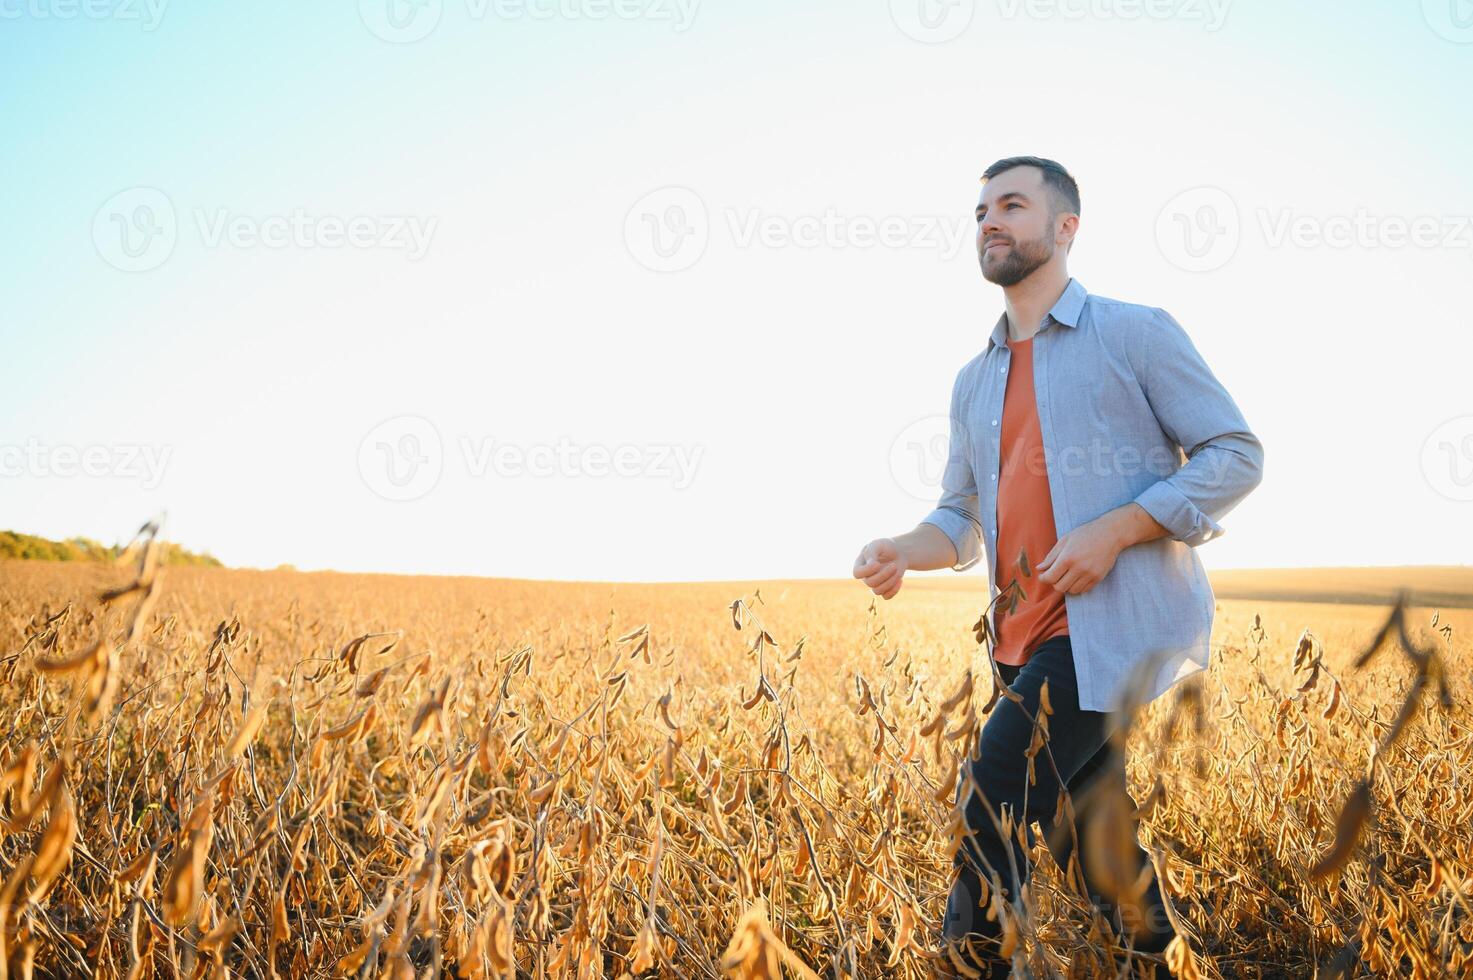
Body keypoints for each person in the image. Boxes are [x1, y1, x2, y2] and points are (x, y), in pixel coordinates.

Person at [852, 156, 1264, 976]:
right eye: (979, 212)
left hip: (1106, 631)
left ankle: (972, 965)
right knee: (1092, 838)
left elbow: (1234, 453)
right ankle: (1158, 963)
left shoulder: (1133, 333)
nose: (989, 222)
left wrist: (1116, 529)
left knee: (993, 782)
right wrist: (906, 548)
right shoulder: (974, 378)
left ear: (1066, 227)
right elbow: (961, 517)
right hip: (1014, 640)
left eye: (1011, 205)